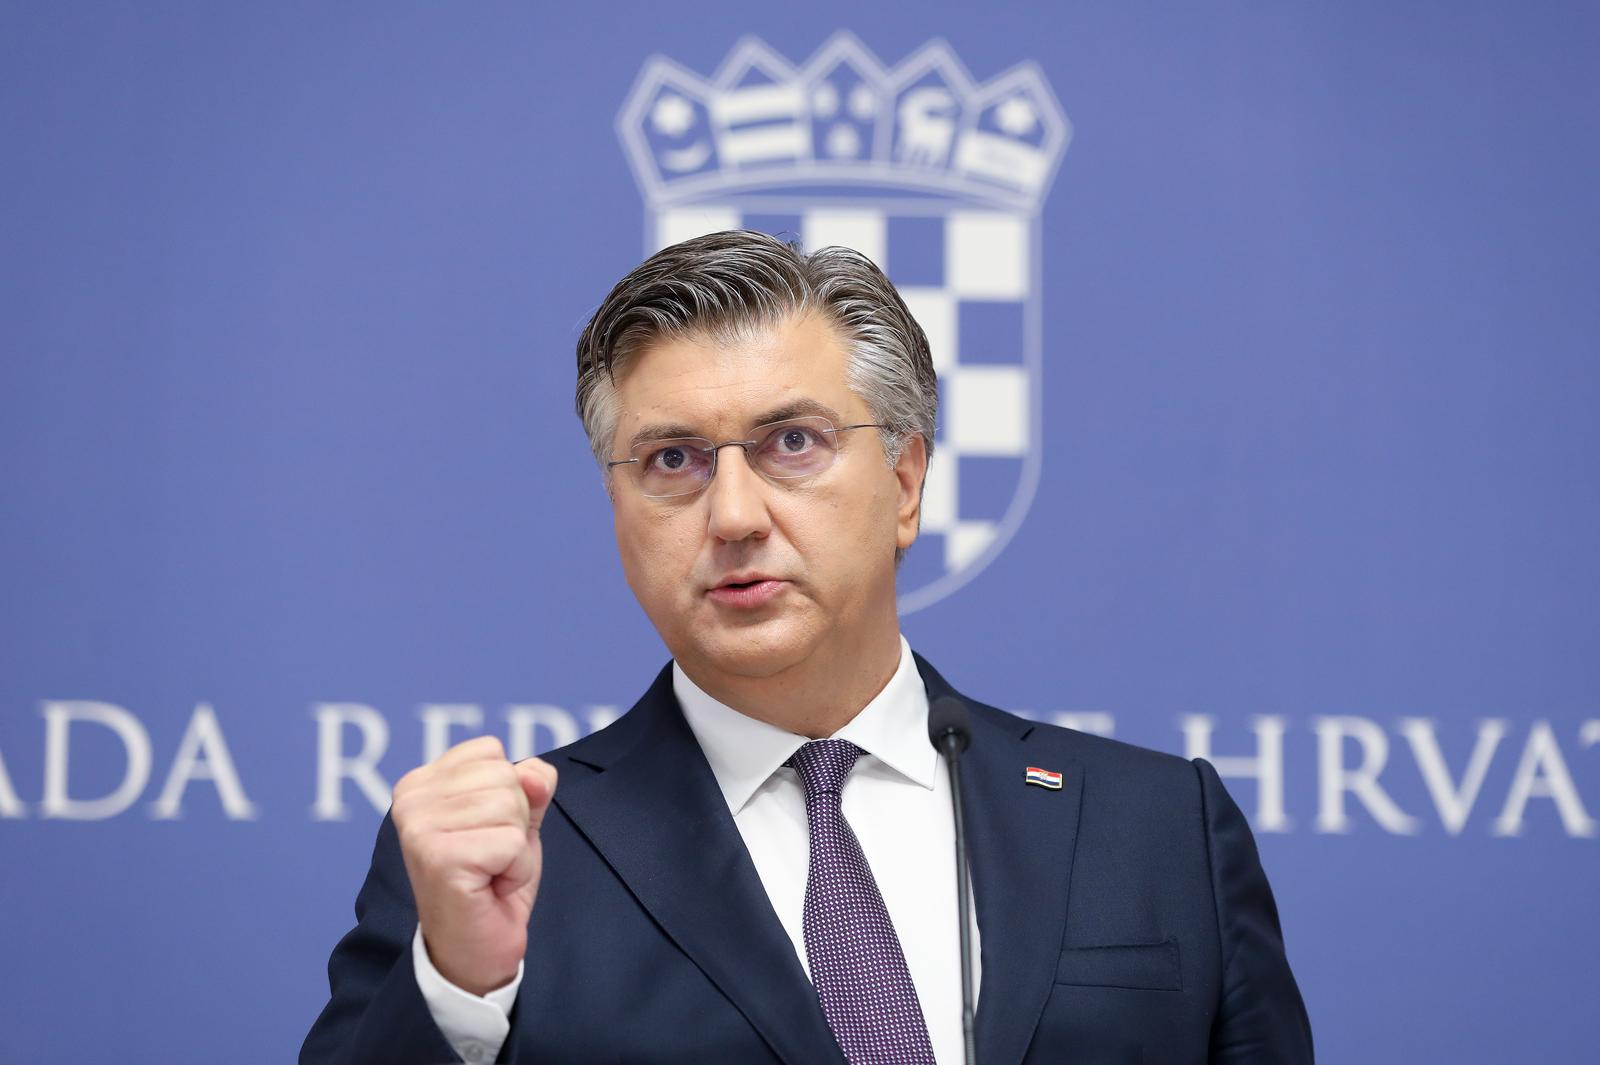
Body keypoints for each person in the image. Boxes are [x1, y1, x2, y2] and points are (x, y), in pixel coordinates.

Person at [301, 230, 1314, 1065]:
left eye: (793, 442)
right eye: (672, 460)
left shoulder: (1157, 829)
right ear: (614, 504)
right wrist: (462, 991)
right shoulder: (505, 862)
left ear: (905, 481)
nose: (733, 513)